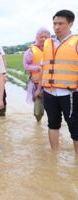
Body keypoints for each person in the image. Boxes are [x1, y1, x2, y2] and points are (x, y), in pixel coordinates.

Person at [35, 10, 78, 153]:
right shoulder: (48, 43)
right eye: (54, 23)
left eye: (61, 23)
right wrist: (39, 88)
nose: (57, 27)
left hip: (71, 94)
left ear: (70, 24)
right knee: (52, 124)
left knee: (75, 126)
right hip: (49, 92)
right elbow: (43, 67)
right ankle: (54, 156)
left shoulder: (76, 42)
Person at [23, 28, 50, 122]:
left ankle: (52, 124)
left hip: (51, 83)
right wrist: (40, 67)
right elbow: (27, 66)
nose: (43, 39)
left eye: (46, 37)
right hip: (36, 83)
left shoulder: (52, 49)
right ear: (37, 37)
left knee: (53, 108)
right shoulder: (30, 51)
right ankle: (38, 122)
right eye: (41, 37)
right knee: (38, 111)